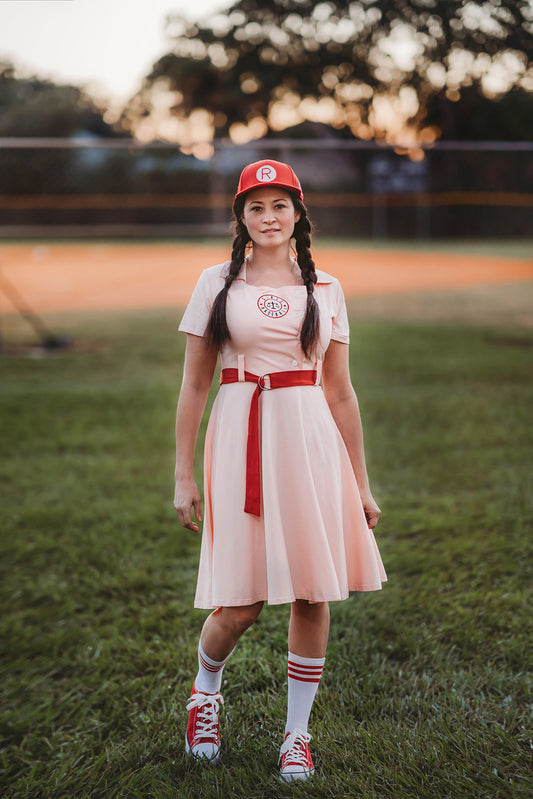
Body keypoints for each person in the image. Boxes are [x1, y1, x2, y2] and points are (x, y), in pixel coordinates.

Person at [173, 159, 387, 782]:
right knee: (241, 602)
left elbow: (342, 393)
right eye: (256, 207)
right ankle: (204, 694)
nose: (269, 217)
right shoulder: (216, 282)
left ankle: (297, 735)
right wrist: (183, 476)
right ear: (240, 218)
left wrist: (361, 482)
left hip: (311, 439)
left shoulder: (327, 289)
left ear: (298, 214)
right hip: (241, 431)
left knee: (312, 591)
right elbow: (193, 384)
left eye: (280, 206)